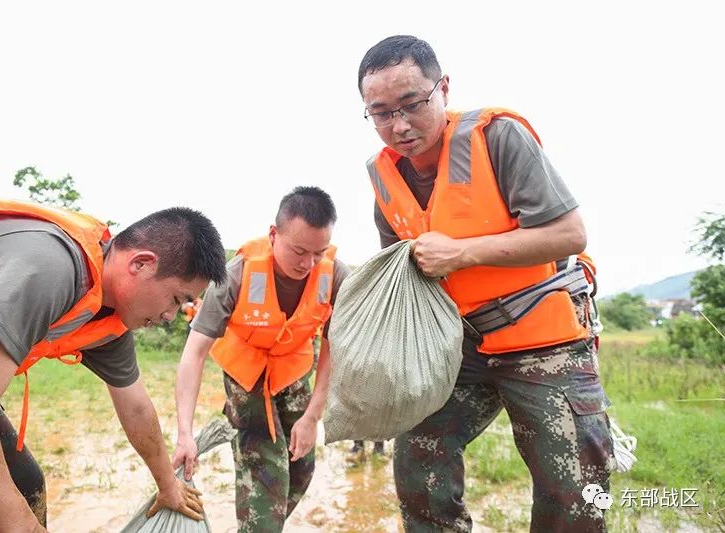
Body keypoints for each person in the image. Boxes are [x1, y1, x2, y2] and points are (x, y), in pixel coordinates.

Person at [358, 36, 614, 532]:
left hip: (544, 340)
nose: (400, 125)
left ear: (443, 89)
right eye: (382, 113)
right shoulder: (385, 181)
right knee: (418, 457)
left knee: (574, 489)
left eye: (412, 104)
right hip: (462, 347)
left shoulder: (498, 139)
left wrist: (463, 253)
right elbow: (401, 276)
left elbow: (569, 233)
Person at [0, 197, 226, 531]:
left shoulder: (107, 317)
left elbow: (137, 408)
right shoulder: (48, 269)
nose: (171, 316)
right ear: (141, 263)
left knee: (22, 484)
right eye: (176, 299)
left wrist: (168, 486)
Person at [173, 186, 350, 532]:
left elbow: (335, 349)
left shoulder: (336, 276)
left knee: (300, 469)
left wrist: (312, 417)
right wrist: (185, 434)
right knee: (266, 473)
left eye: (318, 253)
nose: (307, 264)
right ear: (273, 234)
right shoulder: (236, 274)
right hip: (247, 377)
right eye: (299, 251)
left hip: (294, 370)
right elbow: (194, 353)